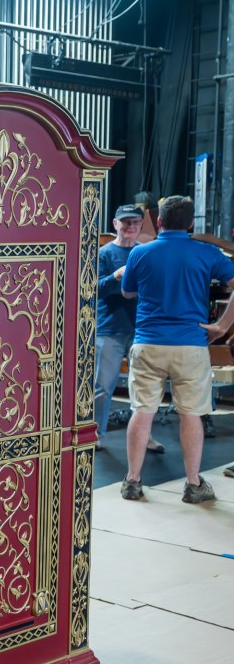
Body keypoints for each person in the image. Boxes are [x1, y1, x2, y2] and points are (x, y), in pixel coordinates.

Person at [119, 194, 234, 504]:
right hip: (190, 344)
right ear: (191, 223)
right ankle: (194, 485)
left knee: (142, 411)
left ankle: (132, 481)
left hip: (148, 342)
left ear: (159, 221)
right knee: (190, 414)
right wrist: (222, 325)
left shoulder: (140, 253)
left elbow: (128, 292)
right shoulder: (207, 252)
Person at [95, 203, 163, 454]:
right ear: (115, 224)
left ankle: (145, 437)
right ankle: (96, 433)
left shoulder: (144, 252)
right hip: (109, 327)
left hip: (141, 329)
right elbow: (93, 288)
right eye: (126, 222)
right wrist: (116, 277)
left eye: (135, 222)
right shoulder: (104, 253)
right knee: (103, 387)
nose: (131, 226)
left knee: (143, 388)